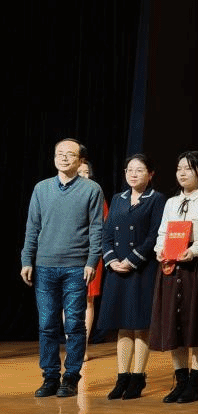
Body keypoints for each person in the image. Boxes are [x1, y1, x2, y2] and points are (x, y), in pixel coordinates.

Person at [20, 138, 104, 398]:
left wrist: (92, 261)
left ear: (80, 160)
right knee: (46, 324)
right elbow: (32, 227)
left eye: (70, 154)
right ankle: (49, 376)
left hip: (76, 267)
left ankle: (71, 376)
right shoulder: (41, 188)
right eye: (60, 153)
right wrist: (26, 260)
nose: (64, 157)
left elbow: (96, 229)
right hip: (44, 266)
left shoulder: (91, 189)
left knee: (75, 325)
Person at [151, 150, 198, 404]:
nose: (182, 173)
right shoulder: (171, 203)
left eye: (188, 168)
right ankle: (181, 381)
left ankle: (195, 384)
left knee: (197, 324)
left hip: (197, 267)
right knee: (174, 324)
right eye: (179, 168)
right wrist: (160, 250)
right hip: (171, 266)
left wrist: (194, 250)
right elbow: (163, 233)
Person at [98, 153, 166, 399]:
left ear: (150, 174)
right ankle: (122, 378)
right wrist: (111, 260)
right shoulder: (118, 198)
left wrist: (132, 259)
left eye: (139, 170)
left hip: (142, 269)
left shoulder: (156, 199)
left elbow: (155, 235)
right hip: (117, 269)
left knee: (140, 326)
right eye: (129, 170)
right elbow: (106, 234)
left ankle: (138, 378)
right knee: (123, 326)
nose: (133, 174)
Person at [77, 158, 105, 360]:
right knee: (68, 301)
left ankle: (83, 347)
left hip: (92, 254)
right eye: (80, 173)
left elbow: (105, 224)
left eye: (87, 172)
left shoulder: (97, 194)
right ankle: (73, 345)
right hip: (69, 254)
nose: (84, 176)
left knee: (88, 301)